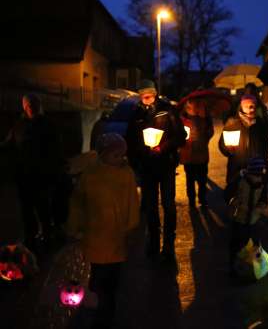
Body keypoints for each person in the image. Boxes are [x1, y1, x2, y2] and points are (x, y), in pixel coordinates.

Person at [66, 133, 139, 329]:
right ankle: (99, 314)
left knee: (113, 281)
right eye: (116, 155)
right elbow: (79, 203)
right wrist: (74, 228)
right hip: (96, 236)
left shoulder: (126, 174)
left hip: (116, 237)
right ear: (103, 154)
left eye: (122, 155)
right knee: (98, 279)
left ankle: (107, 314)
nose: (120, 159)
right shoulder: (91, 175)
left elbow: (133, 201)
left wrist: (131, 227)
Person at [125, 79, 186, 262]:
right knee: (150, 207)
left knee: (168, 205)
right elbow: (131, 140)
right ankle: (153, 242)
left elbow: (180, 136)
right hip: (146, 166)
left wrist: (164, 147)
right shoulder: (136, 113)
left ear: (155, 93)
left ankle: (168, 244)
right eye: (142, 94)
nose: (146, 97)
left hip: (165, 165)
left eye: (149, 94)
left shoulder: (168, 110)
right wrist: (137, 158)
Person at [2, 94, 64, 253]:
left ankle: (47, 235)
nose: (32, 108)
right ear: (24, 107)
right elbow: (9, 145)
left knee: (43, 207)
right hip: (24, 176)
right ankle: (31, 238)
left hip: (42, 176)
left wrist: (55, 169)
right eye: (29, 105)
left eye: (34, 105)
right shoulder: (19, 126)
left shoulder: (48, 125)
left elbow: (56, 150)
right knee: (26, 209)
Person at [219, 94, 268, 273]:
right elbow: (222, 146)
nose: (250, 109)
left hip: (257, 172)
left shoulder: (262, 124)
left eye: (253, 105)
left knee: (254, 223)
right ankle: (236, 261)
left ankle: (254, 264)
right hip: (238, 170)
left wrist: (262, 162)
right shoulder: (232, 123)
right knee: (238, 222)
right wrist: (228, 148)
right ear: (240, 107)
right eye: (247, 106)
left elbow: (267, 144)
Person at [179, 99, 214, 208]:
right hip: (188, 155)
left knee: (202, 180)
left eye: (194, 105)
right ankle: (191, 201)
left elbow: (209, 132)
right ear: (186, 107)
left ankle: (202, 199)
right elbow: (178, 134)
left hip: (201, 154)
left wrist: (205, 131)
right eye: (189, 106)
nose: (192, 108)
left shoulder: (204, 118)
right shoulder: (182, 119)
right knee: (190, 180)